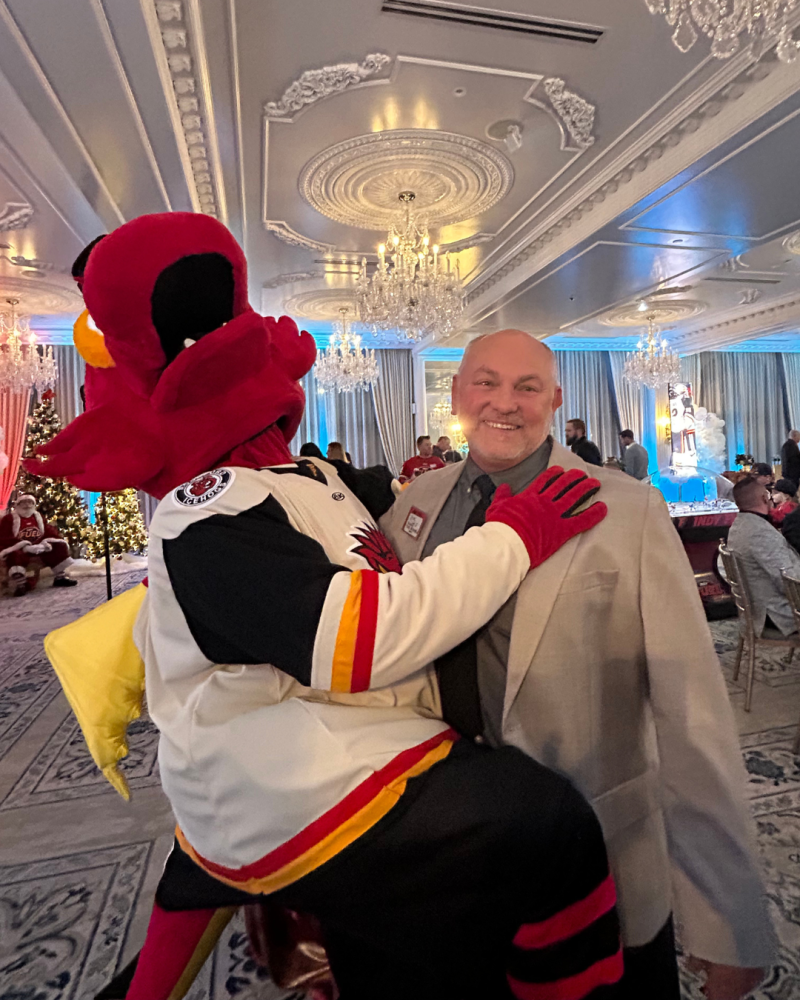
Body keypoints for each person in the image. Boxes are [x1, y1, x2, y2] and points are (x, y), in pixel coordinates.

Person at [33, 217, 622, 1000]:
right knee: (543, 824)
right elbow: (361, 638)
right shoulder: (206, 511)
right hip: (288, 769)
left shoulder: (308, 476)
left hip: (337, 731)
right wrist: (516, 537)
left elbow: (407, 518)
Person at [382, 329, 772, 1000]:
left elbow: (693, 716)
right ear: (457, 394)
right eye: (486, 383)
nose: (506, 402)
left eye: (527, 386)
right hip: (448, 861)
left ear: (555, 400)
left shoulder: (627, 509)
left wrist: (725, 918)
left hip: (596, 858)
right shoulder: (414, 506)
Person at [728, 476, 800, 635]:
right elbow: (789, 583)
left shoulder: (739, 525)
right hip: (778, 614)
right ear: (763, 498)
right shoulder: (759, 533)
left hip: (761, 606)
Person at [0, 493, 77, 596]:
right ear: (17, 504)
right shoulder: (9, 519)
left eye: (30, 502)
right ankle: (21, 585)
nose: (27, 505)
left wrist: (44, 544)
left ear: (34, 504)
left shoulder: (38, 516)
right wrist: (24, 546)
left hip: (39, 546)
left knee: (59, 546)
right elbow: (5, 537)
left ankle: (60, 578)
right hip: (20, 548)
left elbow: (47, 531)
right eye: (23, 502)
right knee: (14, 555)